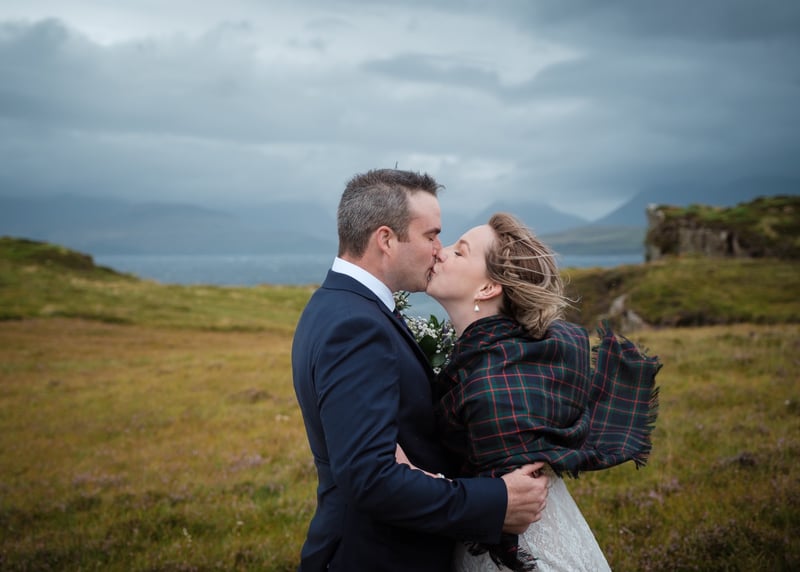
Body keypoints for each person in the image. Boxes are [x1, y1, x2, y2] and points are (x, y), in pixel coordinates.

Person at [291, 170, 550, 572]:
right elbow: (370, 478)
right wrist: (498, 501)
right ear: (386, 240)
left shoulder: (337, 305)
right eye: (431, 235)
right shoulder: (356, 326)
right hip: (375, 558)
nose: (438, 250)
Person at [417, 212, 661, 571]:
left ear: (487, 288)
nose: (440, 250)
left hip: (520, 551)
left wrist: (400, 465)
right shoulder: (491, 359)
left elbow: (493, 488)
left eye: (459, 251)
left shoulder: (491, 385)